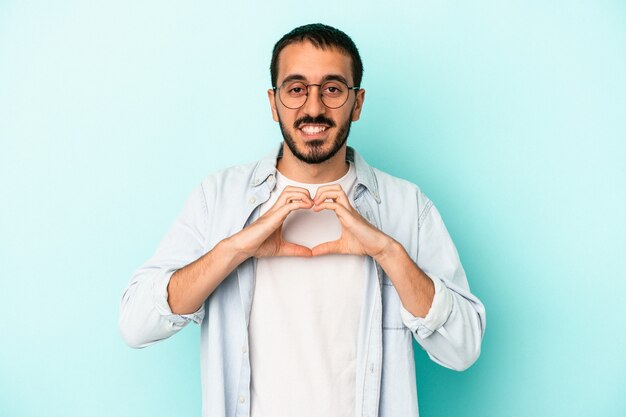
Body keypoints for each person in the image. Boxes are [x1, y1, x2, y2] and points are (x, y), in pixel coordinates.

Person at [119, 23, 486, 417]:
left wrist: (387, 251)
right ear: (273, 102)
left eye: (332, 89)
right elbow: (137, 325)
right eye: (296, 89)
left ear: (357, 103)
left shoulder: (406, 206)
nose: (313, 108)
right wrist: (235, 248)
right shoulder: (218, 198)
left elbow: (462, 349)